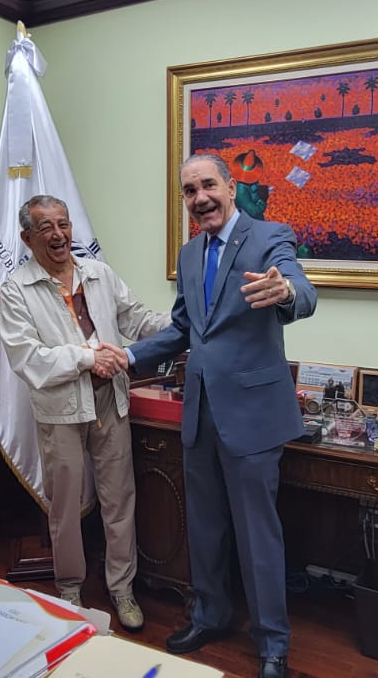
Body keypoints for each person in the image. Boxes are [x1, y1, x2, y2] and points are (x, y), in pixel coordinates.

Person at [127, 153, 318, 678]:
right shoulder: (190, 254)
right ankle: (210, 615)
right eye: (190, 191)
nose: (200, 198)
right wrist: (128, 355)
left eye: (208, 185)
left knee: (258, 535)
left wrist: (286, 292)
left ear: (231, 188)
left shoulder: (270, 236)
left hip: (253, 417)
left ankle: (272, 644)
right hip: (199, 412)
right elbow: (183, 329)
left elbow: (301, 289)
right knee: (205, 526)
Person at [0, 195, 170, 633]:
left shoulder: (98, 273)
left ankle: (122, 588)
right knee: (65, 506)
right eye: (46, 228)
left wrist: (184, 324)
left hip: (110, 400)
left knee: (119, 498)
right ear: (27, 238)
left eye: (64, 224)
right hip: (61, 411)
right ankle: (70, 588)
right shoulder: (16, 288)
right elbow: (27, 358)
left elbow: (139, 320)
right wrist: (88, 358)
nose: (59, 235)